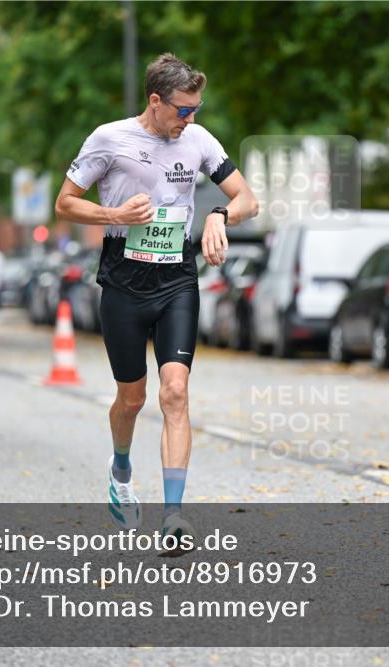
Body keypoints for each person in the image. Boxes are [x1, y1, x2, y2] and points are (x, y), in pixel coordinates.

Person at [55, 53, 258, 540]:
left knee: (175, 392)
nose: (190, 119)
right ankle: (121, 470)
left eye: (196, 109)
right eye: (183, 111)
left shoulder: (199, 140)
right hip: (124, 282)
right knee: (132, 398)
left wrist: (218, 217)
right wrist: (115, 217)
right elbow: (65, 203)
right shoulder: (110, 139)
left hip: (176, 281)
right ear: (155, 101)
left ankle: (173, 517)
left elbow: (247, 199)